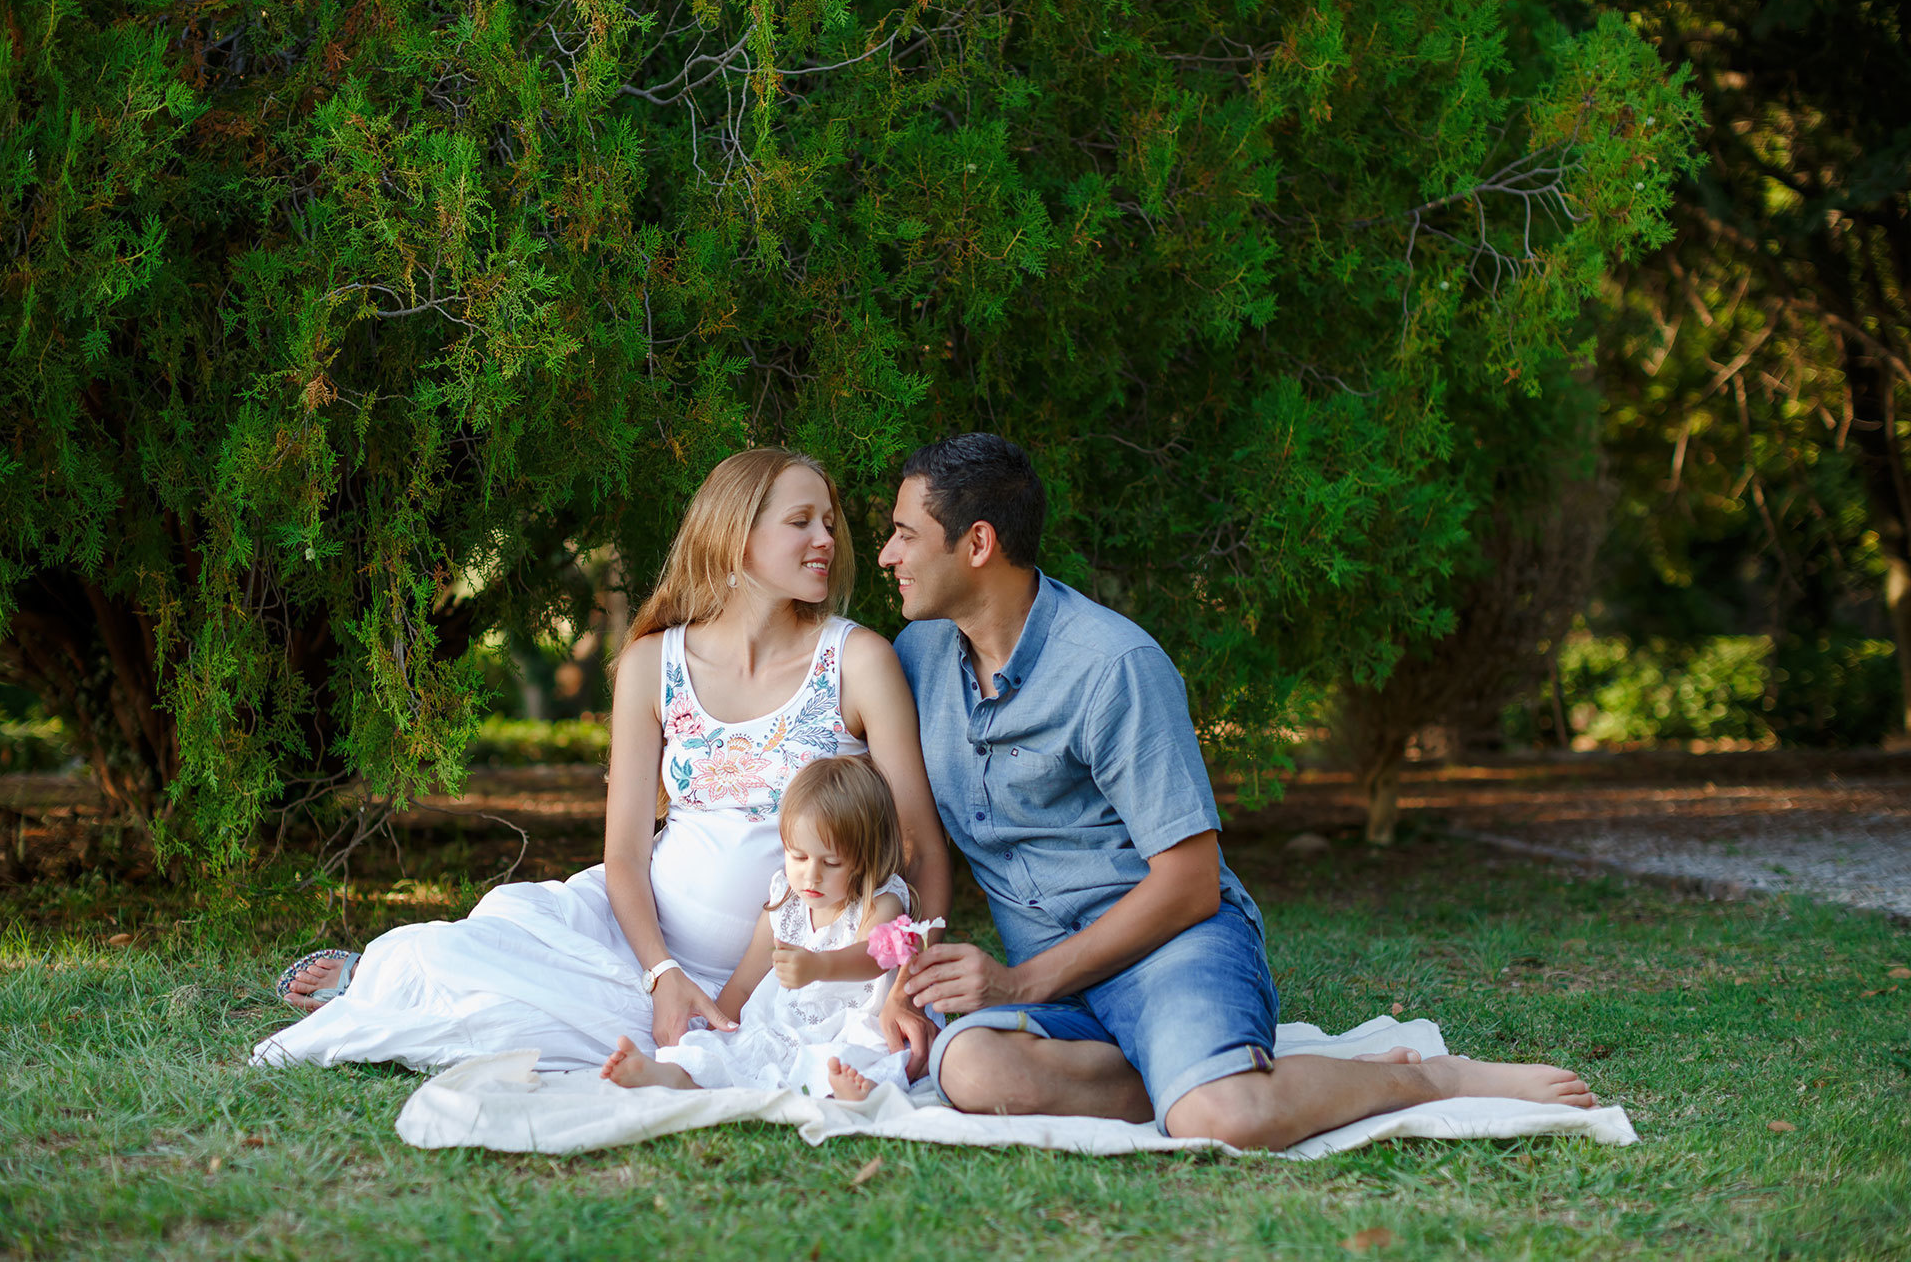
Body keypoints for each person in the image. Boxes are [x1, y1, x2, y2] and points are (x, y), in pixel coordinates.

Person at [879, 433, 1597, 1151]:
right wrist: (904, 980)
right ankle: (1193, 1074)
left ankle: (1429, 1080)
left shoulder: (1112, 666)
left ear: (977, 543)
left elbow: (1191, 885)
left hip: (1170, 946)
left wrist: (1020, 984)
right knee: (967, 1068)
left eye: (905, 534)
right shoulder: (916, 659)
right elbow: (909, 839)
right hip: (1058, 985)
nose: (887, 554)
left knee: (1230, 1121)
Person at [253, 449, 949, 1073]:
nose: (827, 538)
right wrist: (663, 972)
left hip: (798, 969)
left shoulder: (856, 661)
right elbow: (624, 852)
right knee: (449, 960)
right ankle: (378, 979)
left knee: (572, 1035)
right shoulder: (655, 662)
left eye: (829, 521)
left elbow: (918, 845)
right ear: (736, 535)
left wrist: (912, 980)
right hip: (639, 947)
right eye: (802, 520)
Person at [600, 753, 927, 1101]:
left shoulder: (880, 901)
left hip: (854, 1023)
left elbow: (875, 957)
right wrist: (717, 1031)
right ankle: (674, 1074)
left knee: (857, 1053)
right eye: (798, 856)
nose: (811, 875)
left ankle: (850, 1089)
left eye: (831, 863)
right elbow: (744, 982)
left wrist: (820, 966)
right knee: (737, 1050)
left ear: (866, 857)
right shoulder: (786, 901)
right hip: (787, 1025)